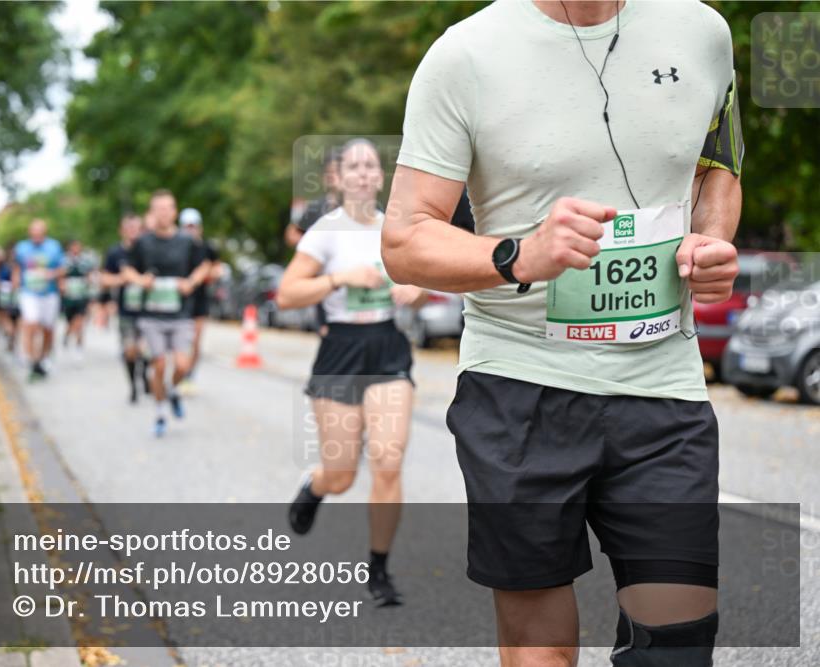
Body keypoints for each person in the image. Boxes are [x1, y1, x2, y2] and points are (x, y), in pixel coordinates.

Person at [381, 1, 743, 665]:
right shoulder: (465, 55)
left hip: (663, 385)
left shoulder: (702, 32)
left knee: (677, 646)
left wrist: (711, 241)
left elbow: (714, 167)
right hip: (519, 388)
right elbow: (405, 240)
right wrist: (521, 255)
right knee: (540, 650)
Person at [277, 138, 428, 607]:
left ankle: (379, 570)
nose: (363, 173)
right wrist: (340, 278)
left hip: (387, 348)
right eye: (353, 167)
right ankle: (316, 487)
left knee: (388, 458)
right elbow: (287, 295)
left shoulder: (396, 228)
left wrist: (416, 288)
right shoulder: (324, 232)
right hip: (340, 350)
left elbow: (427, 281)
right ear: (337, 178)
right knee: (341, 474)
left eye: (370, 166)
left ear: (381, 177)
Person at [124, 190, 210, 437]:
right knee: (159, 365)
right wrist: (141, 280)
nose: (163, 213)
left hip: (180, 313)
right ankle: (161, 412)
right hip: (151, 315)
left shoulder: (187, 241)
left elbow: (204, 266)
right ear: (152, 212)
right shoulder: (143, 242)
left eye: (168, 208)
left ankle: (172, 391)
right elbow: (127, 270)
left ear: (174, 211)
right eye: (158, 209)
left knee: (182, 364)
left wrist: (190, 282)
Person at [12, 219, 65, 380]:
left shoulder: (54, 246)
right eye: (33, 232)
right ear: (29, 232)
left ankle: (44, 357)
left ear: (44, 232)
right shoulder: (22, 247)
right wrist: (15, 281)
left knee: (48, 329)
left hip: (49, 293)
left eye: (39, 232)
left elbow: (62, 269)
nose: (36, 235)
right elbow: (17, 267)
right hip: (29, 293)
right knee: (31, 323)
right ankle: (31, 359)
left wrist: (53, 275)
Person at [102, 214, 146, 403]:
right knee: (129, 350)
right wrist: (122, 279)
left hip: (148, 309)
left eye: (136, 228)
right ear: (122, 231)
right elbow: (104, 279)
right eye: (129, 228)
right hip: (126, 309)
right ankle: (133, 385)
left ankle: (145, 374)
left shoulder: (148, 250)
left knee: (146, 349)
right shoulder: (115, 253)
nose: (133, 232)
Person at [179, 207, 221, 387]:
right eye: (187, 226)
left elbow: (217, 270)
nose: (190, 230)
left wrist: (202, 275)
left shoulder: (207, 248)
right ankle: (178, 372)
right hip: (180, 299)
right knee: (180, 340)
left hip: (199, 299)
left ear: (199, 227)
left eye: (193, 226)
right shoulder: (176, 247)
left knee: (195, 340)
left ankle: (190, 374)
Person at [284, 147, 342, 248]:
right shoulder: (315, 206)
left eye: (337, 171)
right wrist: (313, 245)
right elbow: (292, 235)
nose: (333, 176)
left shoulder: (360, 205)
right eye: (329, 172)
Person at [60, 239, 95, 362]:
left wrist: (89, 284)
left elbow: (90, 276)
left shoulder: (86, 261)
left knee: (79, 324)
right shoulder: (64, 261)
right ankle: (66, 336)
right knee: (70, 323)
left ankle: (79, 347)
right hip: (69, 298)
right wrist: (62, 287)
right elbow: (61, 277)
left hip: (81, 297)